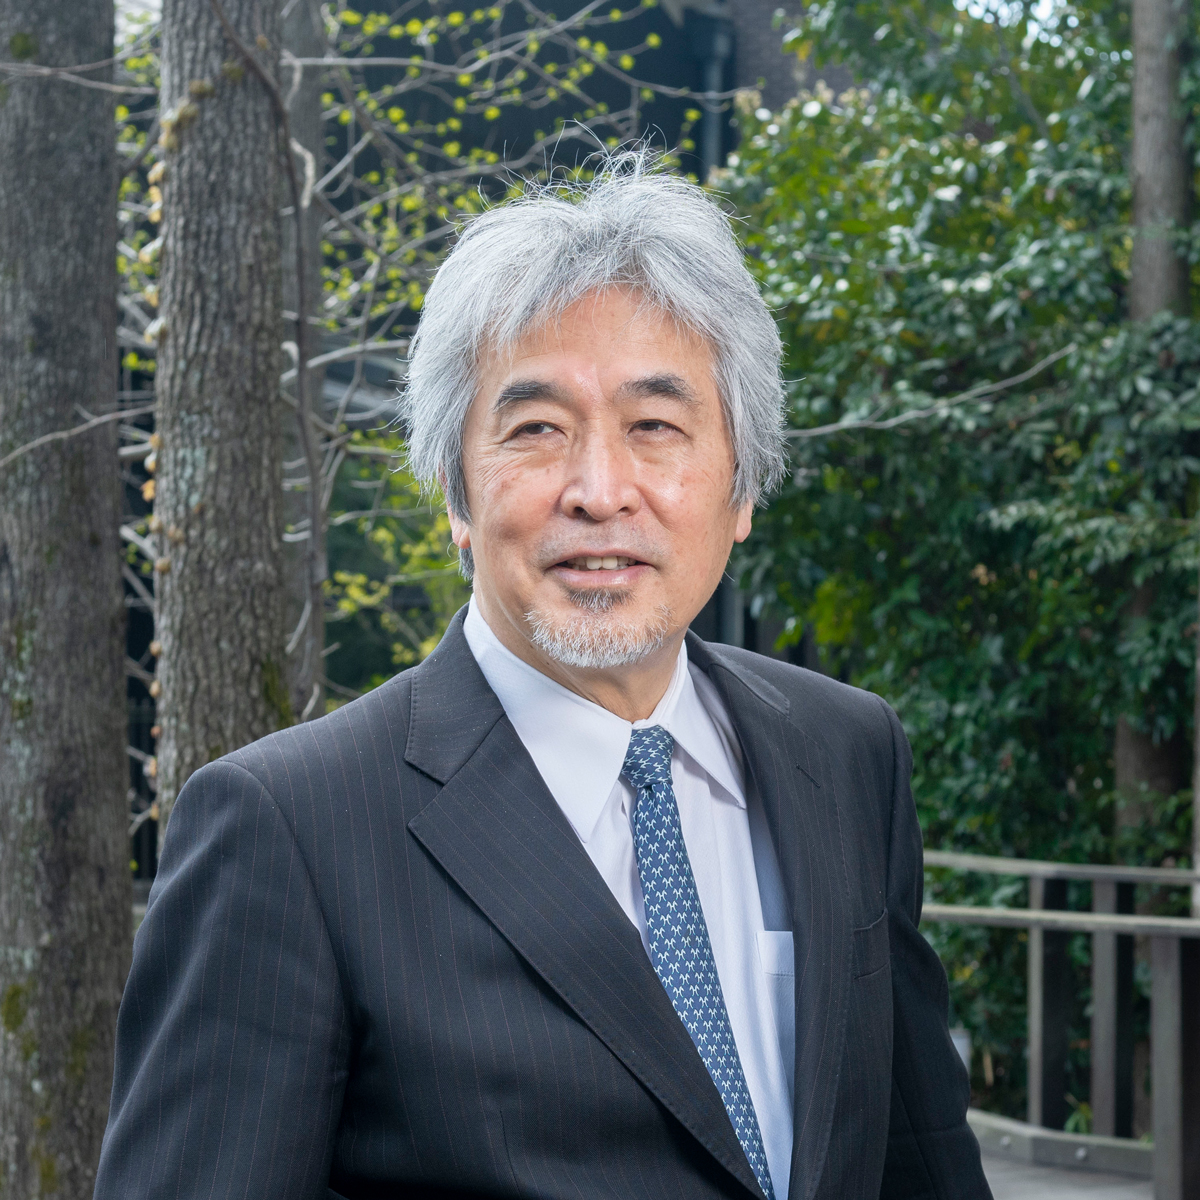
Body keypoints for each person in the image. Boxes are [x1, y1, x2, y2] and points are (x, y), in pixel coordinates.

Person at [95, 154, 991, 1200]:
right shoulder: (287, 830)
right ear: (456, 494)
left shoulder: (846, 752)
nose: (600, 491)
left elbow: (919, 1157)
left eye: (655, 427)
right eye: (535, 430)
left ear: (742, 486)